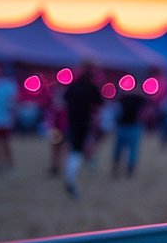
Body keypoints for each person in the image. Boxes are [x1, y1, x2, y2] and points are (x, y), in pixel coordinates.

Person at [63, 63, 103, 199]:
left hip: (73, 122)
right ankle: (71, 179)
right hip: (84, 123)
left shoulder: (73, 86)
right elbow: (99, 105)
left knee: (76, 149)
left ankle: (73, 176)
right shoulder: (91, 88)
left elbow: (64, 101)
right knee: (77, 151)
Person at [111, 84, 147, 178]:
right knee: (128, 150)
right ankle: (125, 169)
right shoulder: (127, 99)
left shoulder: (129, 99)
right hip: (129, 127)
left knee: (123, 150)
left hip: (128, 127)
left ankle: (124, 169)